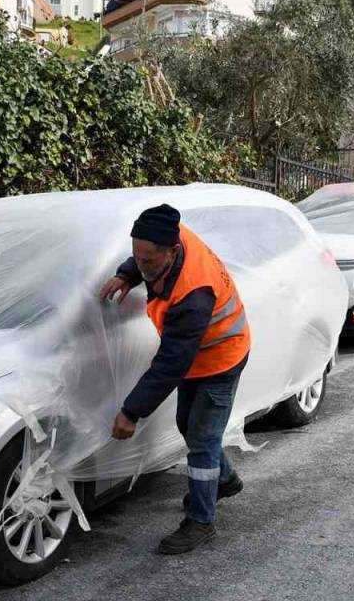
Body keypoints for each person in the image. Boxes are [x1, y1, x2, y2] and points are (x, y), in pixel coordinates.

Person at [99, 204, 251, 555]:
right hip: (196, 357)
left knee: (201, 437)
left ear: (172, 252)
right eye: (138, 257)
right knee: (189, 424)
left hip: (222, 356)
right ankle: (224, 480)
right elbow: (142, 256)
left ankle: (201, 521)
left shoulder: (193, 294)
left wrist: (131, 411)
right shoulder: (167, 233)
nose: (143, 266)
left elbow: (170, 364)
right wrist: (127, 274)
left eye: (149, 262)